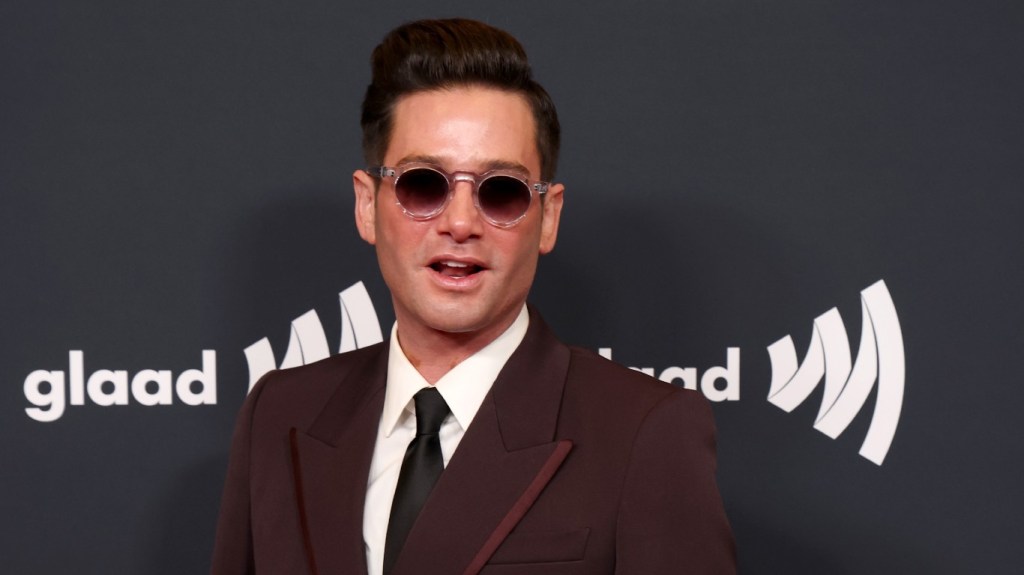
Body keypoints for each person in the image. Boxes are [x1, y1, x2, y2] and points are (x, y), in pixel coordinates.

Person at [211, 18, 736, 575]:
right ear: (367, 205)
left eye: (502, 192)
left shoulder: (643, 434)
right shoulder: (280, 414)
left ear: (549, 217)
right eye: (423, 184)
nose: (461, 223)